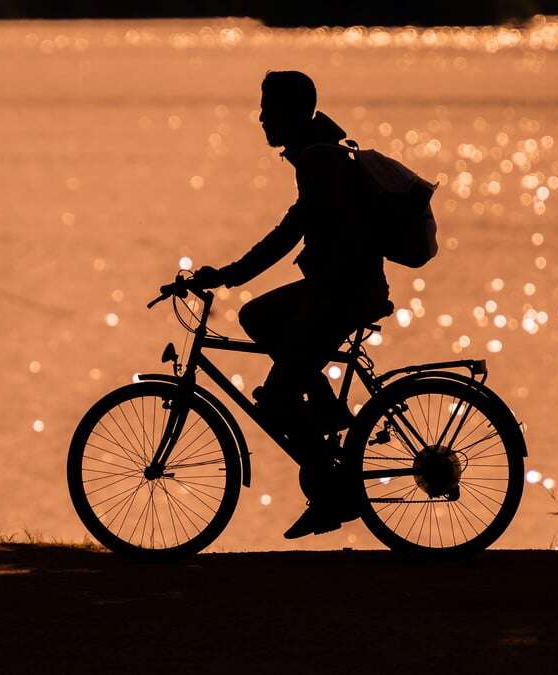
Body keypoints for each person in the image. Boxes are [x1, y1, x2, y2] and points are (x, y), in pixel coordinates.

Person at [192, 71, 393, 539]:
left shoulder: (320, 161)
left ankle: (332, 495)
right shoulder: (321, 153)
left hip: (344, 293)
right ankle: (325, 410)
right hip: (337, 288)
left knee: (278, 400)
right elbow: (298, 227)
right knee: (255, 315)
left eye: (269, 108)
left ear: (293, 114)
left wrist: (228, 275)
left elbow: (290, 232)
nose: (261, 117)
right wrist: (231, 277)